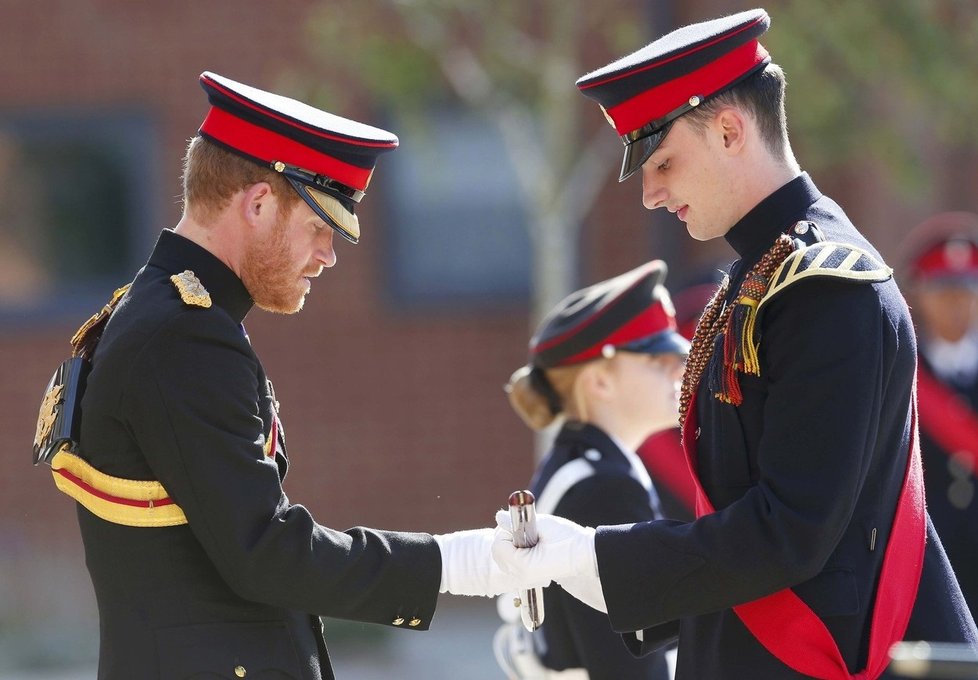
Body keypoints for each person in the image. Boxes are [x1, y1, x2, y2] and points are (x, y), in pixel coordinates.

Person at [492, 9, 978, 680]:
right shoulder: (761, 280)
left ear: (728, 130)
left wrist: (593, 558)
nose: (653, 194)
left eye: (663, 163)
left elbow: (792, 531)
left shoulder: (823, 285)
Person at [30, 71, 531, 680]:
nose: (329, 255)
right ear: (259, 203)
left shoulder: (150, 313)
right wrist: (462, 563)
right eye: (320, 227)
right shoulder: (185, 336)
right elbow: (267, 553)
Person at [494, 260, 689, 679]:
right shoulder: (605, 489)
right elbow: (629, 666)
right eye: (658, 359)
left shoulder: (590, 467)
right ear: (599, 383)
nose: (680, 369)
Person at [901, 212, 978, 618]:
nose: (957, 304)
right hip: (924, 559)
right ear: (920, 294)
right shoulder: (903, 373)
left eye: (967, 291)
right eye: (944, 291)